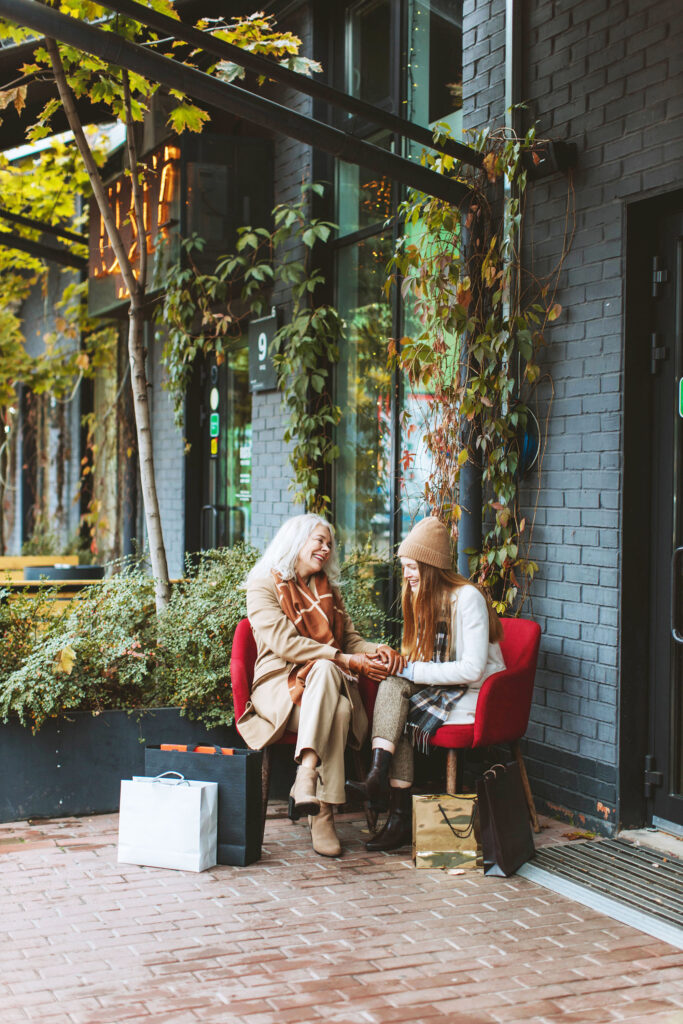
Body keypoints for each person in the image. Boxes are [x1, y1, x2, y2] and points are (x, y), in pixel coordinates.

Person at [238, 513, 404, 857]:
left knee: (332, 687)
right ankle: (325, 813)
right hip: (278, 686)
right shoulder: (262, 585)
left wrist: (378, 649)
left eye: (330, 544)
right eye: (319, 541)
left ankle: (307, 778)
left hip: (322, 688)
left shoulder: (327, 589)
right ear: (296, 541)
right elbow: (286, 644)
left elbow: (352, 640)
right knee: (337, 696)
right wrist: (342, 659)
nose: (326, 549)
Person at [350, 516, 505, 853]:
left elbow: (473, 669)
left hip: (478, 696)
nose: (405, 574)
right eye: (404, 566)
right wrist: (398, 664)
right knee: (393, 685)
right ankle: (385, 788)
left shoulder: (468, 599)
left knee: (401, 704)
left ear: (431, 565)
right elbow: (425, 663)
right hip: (446, 688)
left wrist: (413, 671)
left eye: (411, 566)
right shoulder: (425, 597)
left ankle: (395, 808)